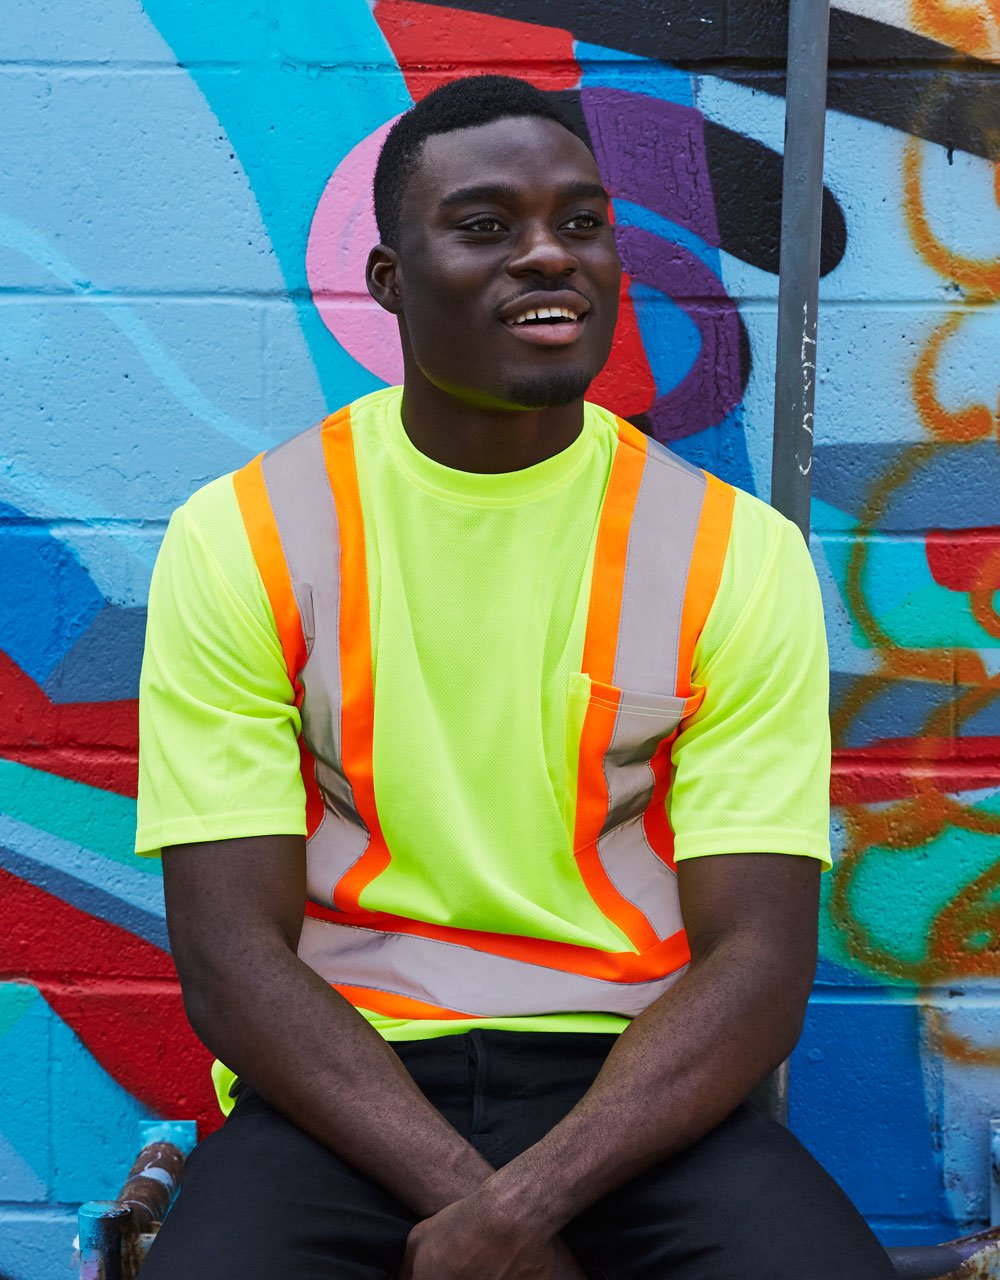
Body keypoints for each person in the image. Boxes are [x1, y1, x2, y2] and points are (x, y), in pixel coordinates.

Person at [135, 75, 894, 1280]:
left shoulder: (728, 551)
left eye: (581, 223)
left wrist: (520, 1205)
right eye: (486, 227)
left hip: (635, 1090)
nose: (549, 255)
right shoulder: (246, 536)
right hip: (346, 1085)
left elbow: (758, 960)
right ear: (390, 281)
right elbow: (230, 956)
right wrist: (481, 1209)